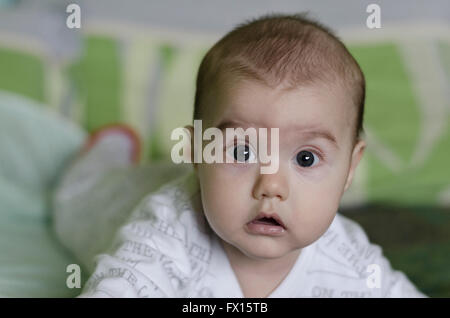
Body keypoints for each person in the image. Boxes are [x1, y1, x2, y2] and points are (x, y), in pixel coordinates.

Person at [52, 13, 426, 297]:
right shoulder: (164, 235)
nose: (271, 185)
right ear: (197, 150)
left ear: (349, 168)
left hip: (198, 178)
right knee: (76, 196)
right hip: (106, 202)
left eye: (306, 158)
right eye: (243, 150)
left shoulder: (346, 256)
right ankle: (106, 149)